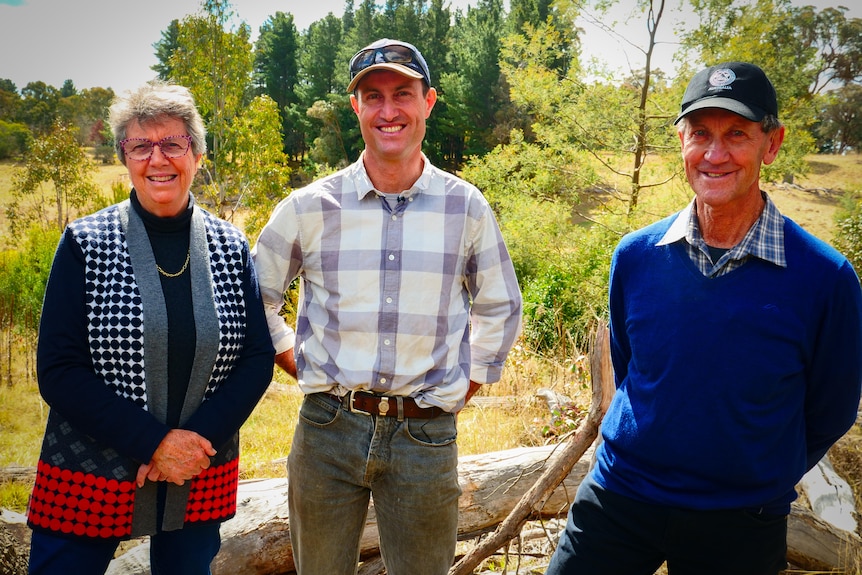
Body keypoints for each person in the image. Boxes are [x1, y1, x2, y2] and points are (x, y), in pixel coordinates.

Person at [546, 61, 862, 575]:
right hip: (622, 495)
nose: (715, 154)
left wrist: (756, 472)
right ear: (681, 140)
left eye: (737, 133)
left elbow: (832, 408)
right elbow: (632, 371)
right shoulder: (636, 256)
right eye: (700, 134)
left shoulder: (825, 277)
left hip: (740, 518)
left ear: (772, 143)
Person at [252, 38, 523, 575]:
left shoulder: (465, 206)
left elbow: (498, 304)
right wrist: (295, 360)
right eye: (372, 96)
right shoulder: (309, 207)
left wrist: (463, 385)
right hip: (328, 429)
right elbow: (253, 298)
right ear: (356, 107)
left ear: (429, 102)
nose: (388, 110)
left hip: (425, 435)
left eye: (403, 93)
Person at [26, 81, 275, 575]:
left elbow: (255, 358)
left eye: (172, 143)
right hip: (89, 469)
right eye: (141, 145)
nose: (157, 158)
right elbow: (59, 370)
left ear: (197, 155)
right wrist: (154, 444)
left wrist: (191, 446)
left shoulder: (230, 245)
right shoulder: (85, 242)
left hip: (198, 470)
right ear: (125, 156)